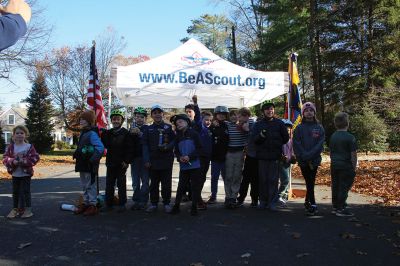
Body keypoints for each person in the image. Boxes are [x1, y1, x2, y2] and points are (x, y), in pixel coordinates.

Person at [252, 102, 289, 211]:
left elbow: (286, 138)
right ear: (263, 112)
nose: (270, 111)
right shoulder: (258, 124)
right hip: (262, 156)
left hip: (275, 156)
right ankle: (263, 201)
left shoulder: (280, 123)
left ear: (274, 111)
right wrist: (261, 136)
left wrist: (277, 143)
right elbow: (254, 140)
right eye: (267, 109)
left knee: (273, 180)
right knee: (263, 180)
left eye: (271, 109)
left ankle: (272, 202)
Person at [293, 102, 325, 216]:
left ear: (314, 112)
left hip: (314, 160)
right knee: (308, 181)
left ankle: (309, 202)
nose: (309, 112)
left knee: (311, 181)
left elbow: (320, 144)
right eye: (306, 111)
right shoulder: (299, 128)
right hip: (303, 160)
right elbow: (296, 143)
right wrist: (304, 155)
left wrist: (311, 155)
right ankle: (311, 202)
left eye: (311, 110)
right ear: (303, 113)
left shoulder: (319, 127)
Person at [142, 104, 176, 213]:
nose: (157, 115)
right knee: (154, 184)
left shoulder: (168, 127)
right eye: (155, 113)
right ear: (151, 115)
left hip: (166, 160)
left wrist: (168, 147)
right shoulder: (148, 129)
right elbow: (145, 145)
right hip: (153, 161)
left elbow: (174, 141)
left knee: (166, 183)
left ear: (162, 114)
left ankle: (166, 203)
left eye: (159, 112)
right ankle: (153, 203)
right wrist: (146, 160)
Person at [101, 109, 134, 213]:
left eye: (118, 119)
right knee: (109, 184)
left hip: (121, 163)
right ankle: (108, 204)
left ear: (121, 121)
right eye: (114, 119)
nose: (115, 121)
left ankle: (122, 204)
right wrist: (103, 134)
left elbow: (130, 148)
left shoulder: (126, 133)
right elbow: (105, 145)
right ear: (111, 120)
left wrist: (127, 161)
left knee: (121, 184)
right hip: (111, 162)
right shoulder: (109, 133)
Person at [3, 125, 40, 219]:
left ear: (25, 135)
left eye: (22, 133)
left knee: (26, 191)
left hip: (26, 173)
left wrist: (24, 161)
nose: (19, 135)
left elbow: (35, 157)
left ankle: (28, 209)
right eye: (17, 133)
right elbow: (5, 158)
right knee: (15, 192)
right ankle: (15, 209)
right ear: (14, 135)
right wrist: (12, 161)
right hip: (15, 173)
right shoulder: (11, 147)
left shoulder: (29, 147)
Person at [73, 110, 104, 216]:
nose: (80, 121)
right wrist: (76, 153)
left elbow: (100, 148)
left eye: (83, 119)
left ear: (89, 121)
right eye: (80, 119)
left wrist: (92, 160)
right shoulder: (84, 132)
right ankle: (86, 203)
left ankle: (92, 205)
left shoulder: (92, 133)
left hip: (89, 164)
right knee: (84, 185)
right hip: (82, 163)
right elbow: (82, 147)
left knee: (90, 185)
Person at [170, 114, 202, 216]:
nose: (177, 124)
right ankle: (176, 206)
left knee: (195, 186)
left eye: (180, 122)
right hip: (183, 166)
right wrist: (180, 157)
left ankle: (194, 207)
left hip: (195, 165)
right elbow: (176, 151)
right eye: (176, 123)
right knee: (181, 186)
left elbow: (200, 148)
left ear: (187, 122)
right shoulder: (177, 136)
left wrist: (190, 157)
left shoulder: (194, 133)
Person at [224, 108, 254, 209]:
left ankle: (233, 197)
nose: (234, 117)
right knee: (228, 175)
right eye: (231, 115)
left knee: (237, 176)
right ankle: (228, 196)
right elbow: (217, 121)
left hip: (240, 153)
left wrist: (244, 121)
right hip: (229, 153)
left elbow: (249, 118)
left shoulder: (246, 123)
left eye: (236, 115)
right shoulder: (227, 124)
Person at [329, 112, 357, 217]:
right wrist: (354, 167)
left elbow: (331, 152)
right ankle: (341, 207)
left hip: (335, 164)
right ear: (347, 123)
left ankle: (336, 206)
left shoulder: (333, 136)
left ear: (336, 124)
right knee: (344, 186)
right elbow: (353, 154)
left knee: (335, 185)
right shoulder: (350, 138)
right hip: (346, 165)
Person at [207, 106, 229, 204]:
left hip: (226, 157)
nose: (221, 116)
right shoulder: (211, 126)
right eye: (219, 114)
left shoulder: (228, 125)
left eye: (223, 114)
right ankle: (213, 195)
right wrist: (213, 126)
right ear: (216, 115)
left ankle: (228, 196)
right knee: (214, 177)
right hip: (215, 157)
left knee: (226, 178)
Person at [130, 106, 150, 210]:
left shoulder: (148, 129)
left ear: (145, 119)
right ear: (134, 118)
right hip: (134, 159)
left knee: (145, 181)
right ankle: (136, 200)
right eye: (137, 116)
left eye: (142, 117)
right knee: (135, 181)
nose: (139, 119)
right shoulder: (131, 128)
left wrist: (140, 134)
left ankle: (144, 201)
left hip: (145, 158)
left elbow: (149, 142)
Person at [277, 119, 296, 207]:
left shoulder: (291, 140)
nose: (287, 131)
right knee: (285, 180)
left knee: (287, 180)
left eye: (288, 130)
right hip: (281, 162)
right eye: (285, 129)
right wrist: (281, 156)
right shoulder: (279, 139)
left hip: (288, 162)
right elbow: (277, 150)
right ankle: (279, 196)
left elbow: (292, 151)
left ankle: (284, 198)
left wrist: (293, 157)